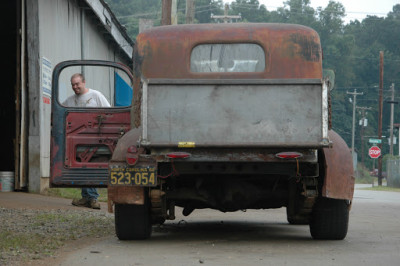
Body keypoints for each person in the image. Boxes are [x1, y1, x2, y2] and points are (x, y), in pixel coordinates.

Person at [63, 73, 111, 209]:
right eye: (73, 84)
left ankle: (92, 198)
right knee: (82, 166)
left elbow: (109, 112)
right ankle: (86, 197)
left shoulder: (96, 96)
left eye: (77, 84)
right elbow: (62, 112)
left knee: (89, 164)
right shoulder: (70, 100)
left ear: (84, 82)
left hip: (94, 138)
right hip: (78, 139)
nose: (75, 87)